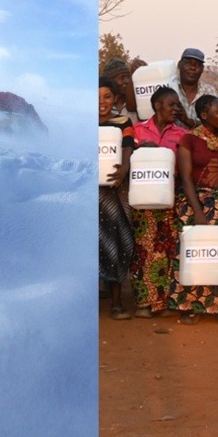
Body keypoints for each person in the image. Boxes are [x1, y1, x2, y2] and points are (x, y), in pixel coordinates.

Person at [169, 94, 218, 325]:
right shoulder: (189, 139)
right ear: (204, 115)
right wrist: (198, 212)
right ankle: (189, 306)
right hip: (195, 202)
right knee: (194, 254)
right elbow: (185, 178)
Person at [129, 86, 188, 318]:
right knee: (143, 250)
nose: (175, 109)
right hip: (143, 201)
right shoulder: (138, 130)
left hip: (170, 198)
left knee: (167, 250)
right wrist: (140, 149)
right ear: (157, 105)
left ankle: (163, 302)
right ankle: (144, 302)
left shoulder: (181, 134)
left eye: (177, 105)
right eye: (171, 105)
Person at [99, 77, 136, 320]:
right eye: (96, 97)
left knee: (116, 241)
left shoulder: (123, 122)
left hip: (114, 190)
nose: (101, 102)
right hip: (88, 193)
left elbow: (128, 146)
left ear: (114, 99)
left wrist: (123, 168)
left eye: (107, 97)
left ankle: (116, 301)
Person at [168, 48, 218, 128]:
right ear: (179, 65)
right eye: (188, 63)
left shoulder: (209, 91)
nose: (193, 67)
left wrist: (188, 121)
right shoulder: (169, 89)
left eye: (197, 65)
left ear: (202, 69)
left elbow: (216, 123)